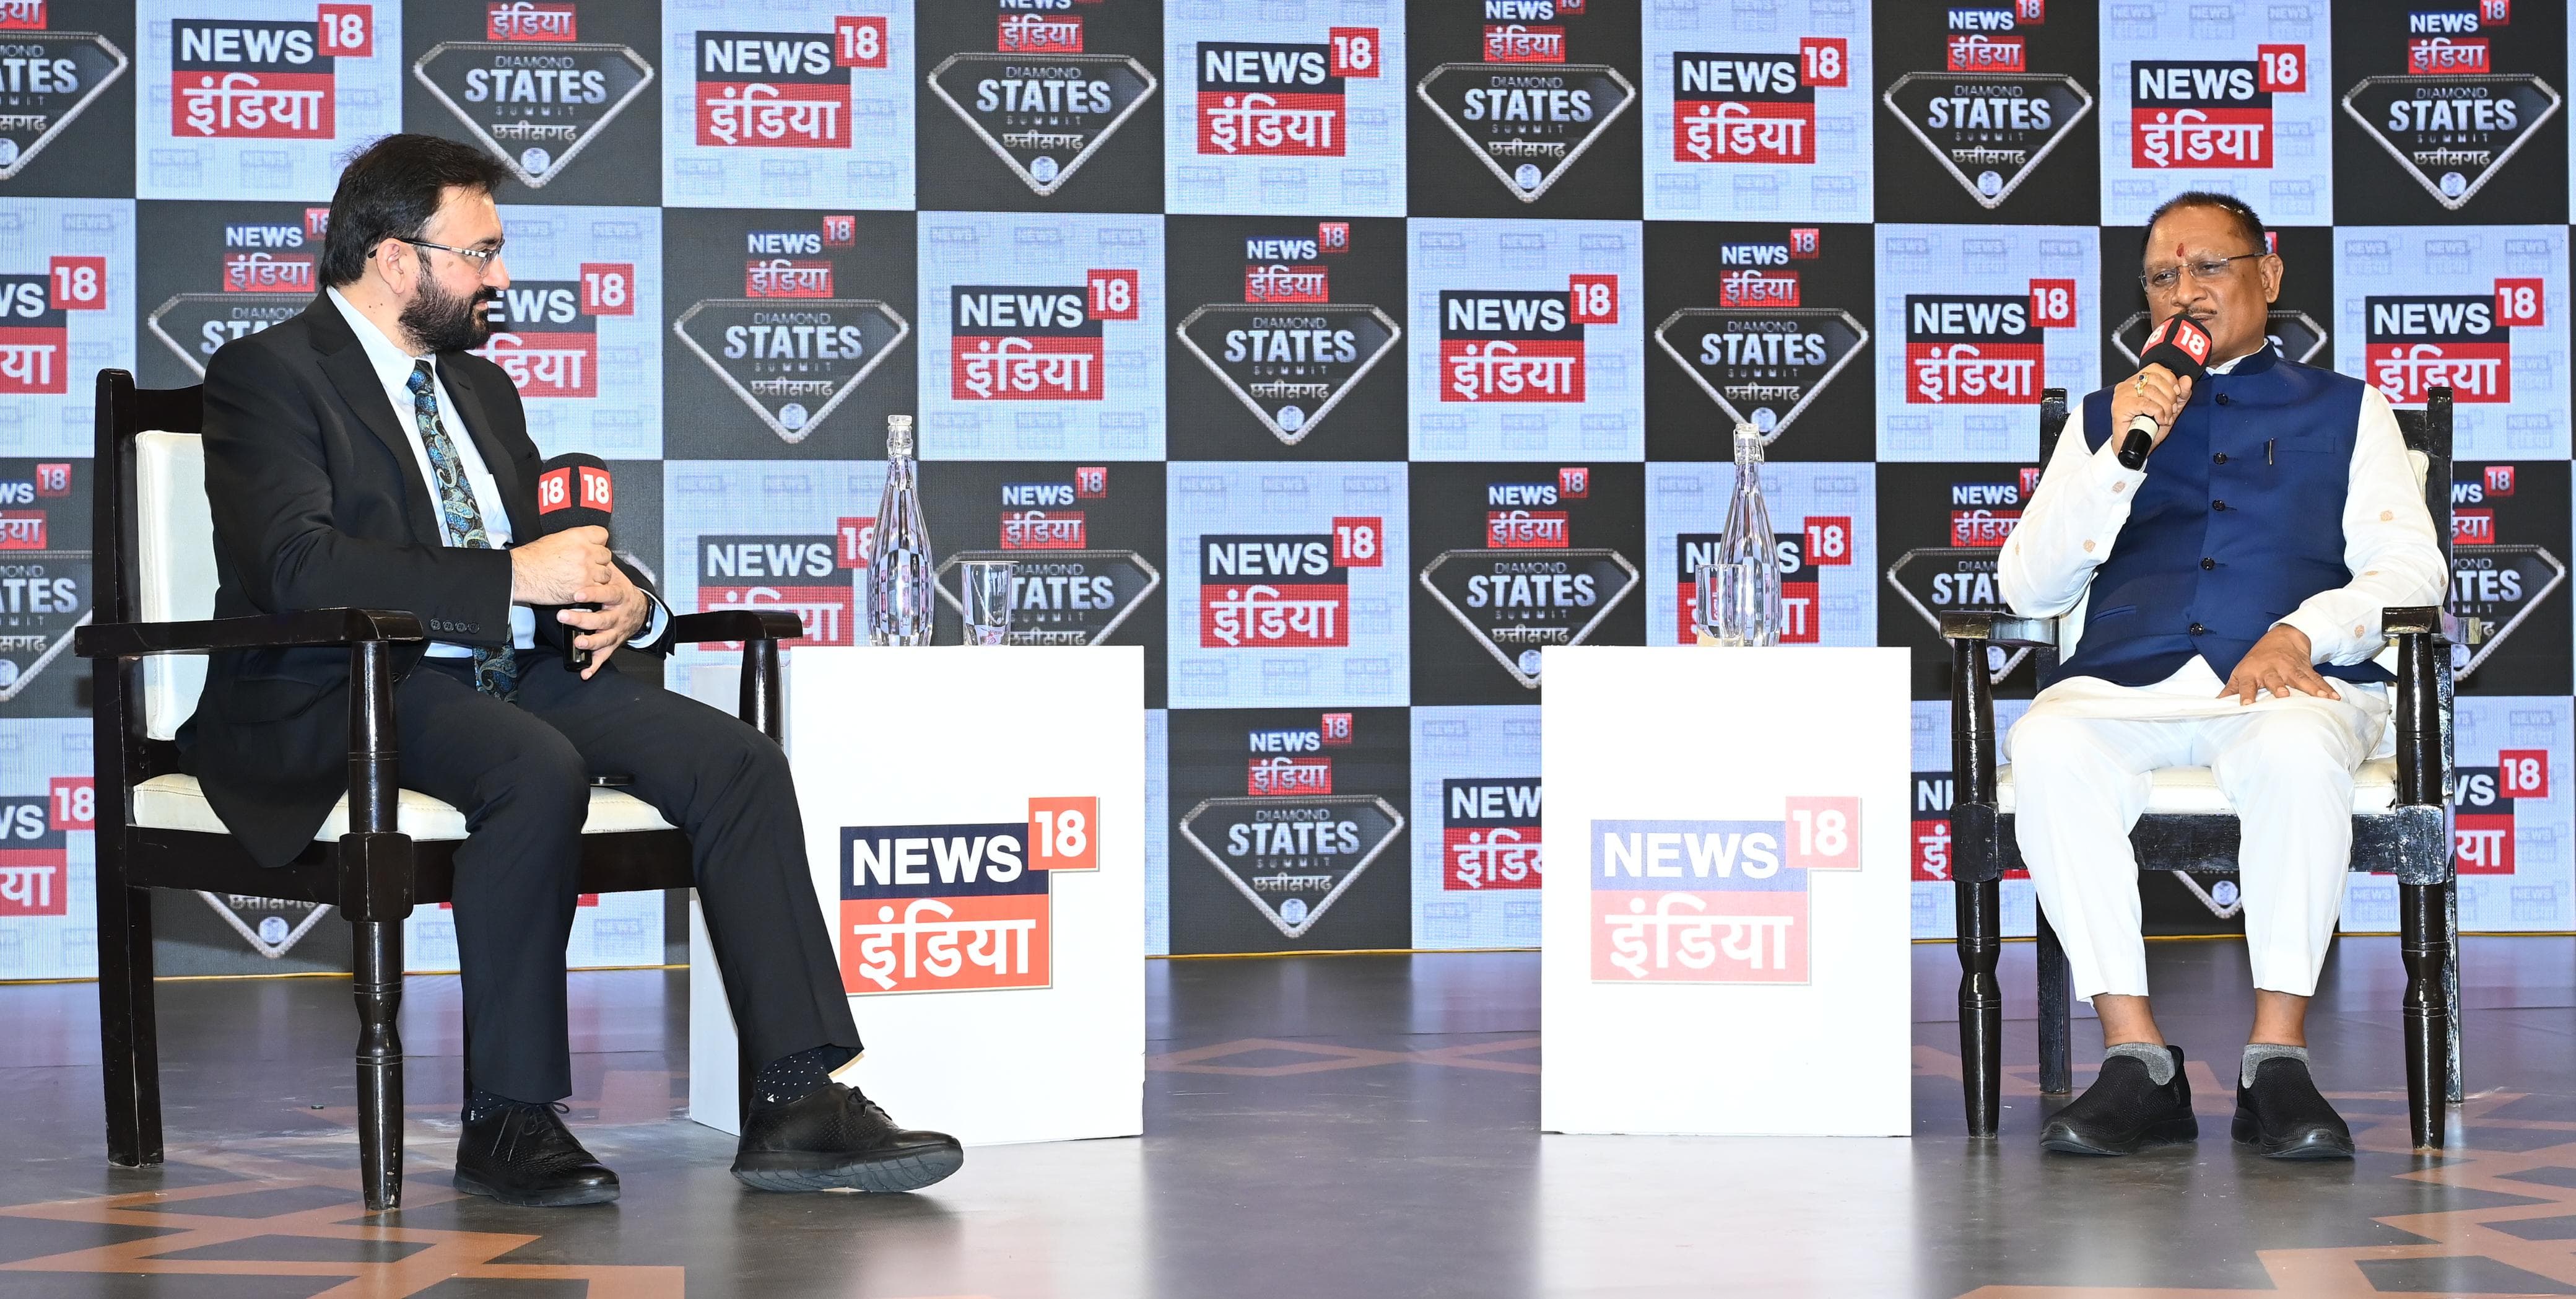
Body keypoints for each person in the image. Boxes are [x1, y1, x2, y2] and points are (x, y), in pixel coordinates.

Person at [186, 134, 961, 1205]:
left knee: (737, 761)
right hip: (353, 684)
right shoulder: (268, 374)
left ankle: (796, 1100)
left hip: (507, 666)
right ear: (394, 258)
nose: (500, 277)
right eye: (479, 252)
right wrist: (513, 576)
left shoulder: (480, 389)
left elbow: (540, 549)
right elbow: (295, 565)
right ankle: (508, 1117)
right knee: (532, 768)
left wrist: (625, 597)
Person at [1997, 192, 2447, 1160]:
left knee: (2294, 749)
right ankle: (2138, 1060)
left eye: (2209, 266)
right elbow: (2028, 585)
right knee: (2046, 741)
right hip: (2129, 678)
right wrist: (2116, 457)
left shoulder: (2350, 408)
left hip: (2285, 679)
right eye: (2163, 276)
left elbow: (2412, 569)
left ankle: (2276, 1062)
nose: (2185, 291)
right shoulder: (2106, 417)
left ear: (2268, 277)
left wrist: (2304, 630)